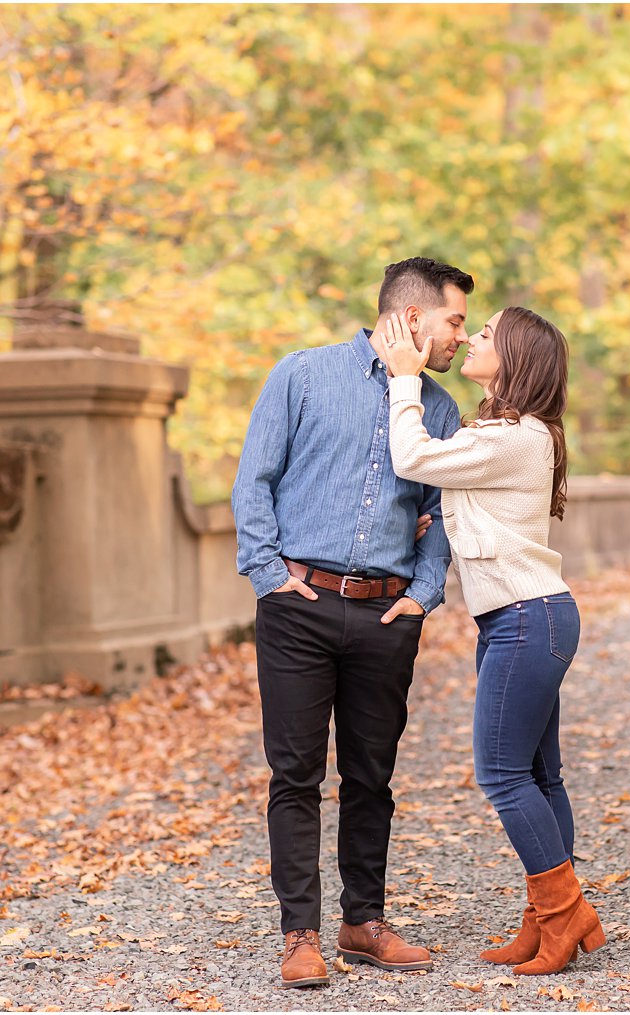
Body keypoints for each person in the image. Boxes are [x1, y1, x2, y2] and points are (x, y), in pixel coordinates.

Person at [231, 257, 473, 988]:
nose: (460, 336)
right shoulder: (301, 375)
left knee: (372, 773)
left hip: (384, 612)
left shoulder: (440, 410)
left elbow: (440, 517)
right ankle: (299, 932)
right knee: (296, 773)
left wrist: (423, 593)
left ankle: (361, 920)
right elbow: (254, 482)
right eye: (454, 321)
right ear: (411, 318)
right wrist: (271, 577)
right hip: (297, 608)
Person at [379, 306, 605, 976]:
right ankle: (544, 921)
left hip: (526, 618)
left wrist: (403, 380)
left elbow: (411, 454)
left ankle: (566, 917)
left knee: (503, 775)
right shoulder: (515, 434)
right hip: (526, 616)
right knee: (539, 774)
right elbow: (471, 502)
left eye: (487, 333)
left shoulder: (513, 436)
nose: (474, 336)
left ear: (516, 357)